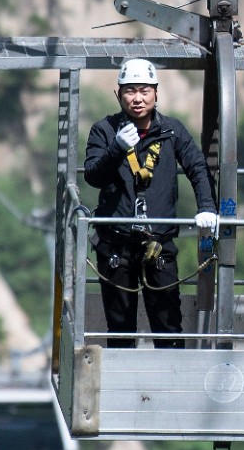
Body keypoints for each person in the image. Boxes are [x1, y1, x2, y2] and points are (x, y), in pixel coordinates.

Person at [83, 57, 218, 348]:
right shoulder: (104, 131)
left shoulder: (171, 131)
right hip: (116, 243)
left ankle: (173, 386)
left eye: (144, 90)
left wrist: (206, 207)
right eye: (130, 91)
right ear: (118, 95)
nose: (137, 98)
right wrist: (116, 149)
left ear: (156, 93)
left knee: (168, 323)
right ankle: (122, 388)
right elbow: (93, 175)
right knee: (120, 327)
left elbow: (197, 167)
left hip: (158, 242)